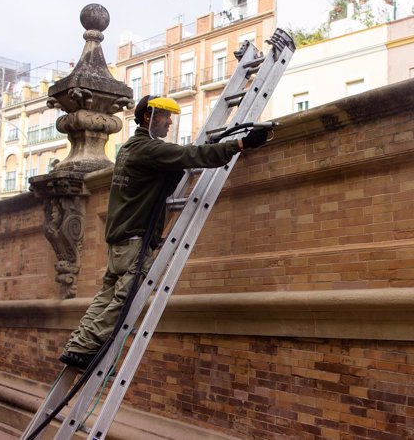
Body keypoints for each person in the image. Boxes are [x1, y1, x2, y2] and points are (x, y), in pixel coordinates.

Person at [59, 95, 268, 369]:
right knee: (125, 298)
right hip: (134, 241)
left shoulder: (129, 148)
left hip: (120, 240)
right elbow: (189, 156)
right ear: (149, 117)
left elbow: (173, 166)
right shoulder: (147, 149)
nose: (170, 122)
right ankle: (88, 348)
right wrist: (240, 144)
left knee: (106, 294)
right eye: (165, 117)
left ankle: (78, 345)